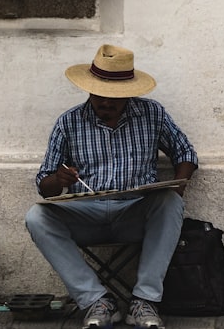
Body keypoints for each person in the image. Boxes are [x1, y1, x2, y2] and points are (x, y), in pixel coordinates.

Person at [25, 44, 199, 329]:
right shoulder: (68, 123)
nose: (106, 103)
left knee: (170, 203)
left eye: (114, 99)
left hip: (136, 213)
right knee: (36, 217)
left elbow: (186, 155)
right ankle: (97, 300)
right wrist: (60, 179)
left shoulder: (152, 115)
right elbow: (45, 187)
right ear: (89, 90)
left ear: (129, 93)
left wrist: (175, 189)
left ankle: (144, 301)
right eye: (99, 96)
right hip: (86, 214)